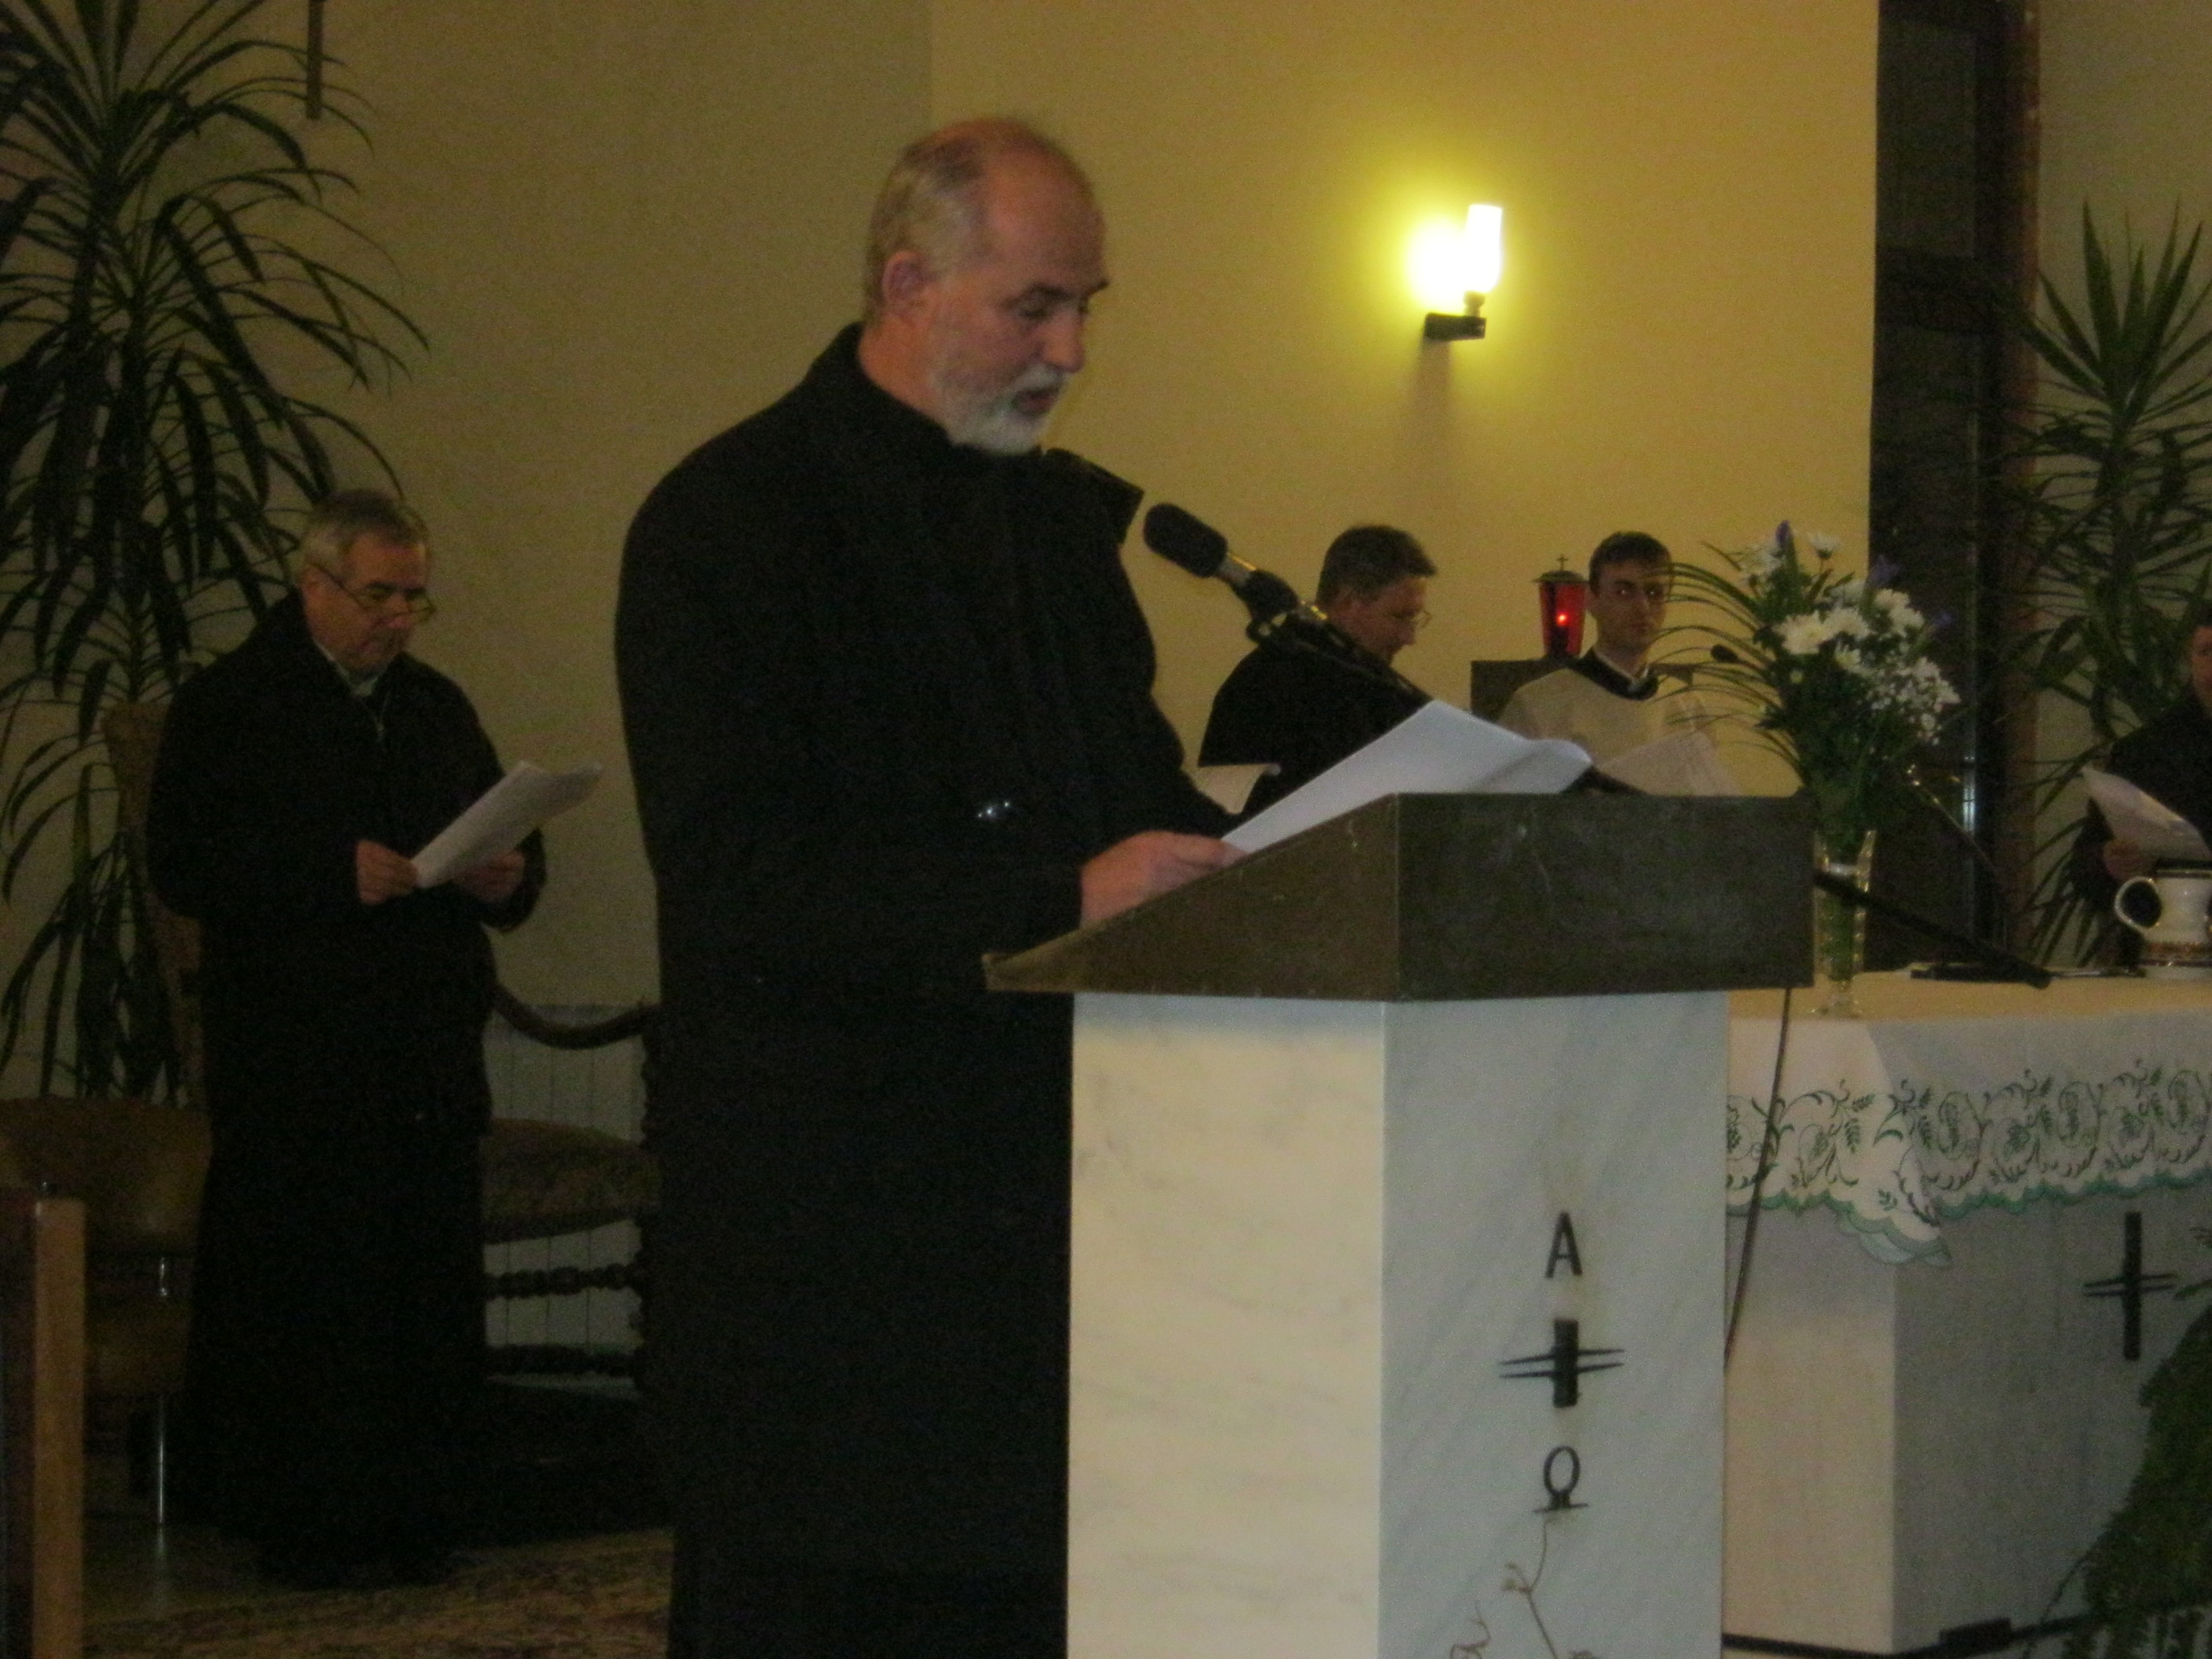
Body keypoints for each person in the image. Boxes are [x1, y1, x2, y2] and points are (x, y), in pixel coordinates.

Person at [616, 118, 1238, 1657]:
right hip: (832, 1239)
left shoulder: (1062, 536)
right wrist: (1050, 898)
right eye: (1035, 307)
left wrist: (1262, 854)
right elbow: (737, 879)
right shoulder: (727, 522)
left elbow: (1137, 792)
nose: (1070, 350)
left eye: (1086, 308)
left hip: (1048, 1234)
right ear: (908, 285)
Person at [148, 490, 544, 1587]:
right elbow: (185, 861)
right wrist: (330, 872)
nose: (400, 619)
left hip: (421, 1049)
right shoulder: (232, 705)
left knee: (423, 1282)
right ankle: (309, 1517)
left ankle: (422, 1509)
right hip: (301, 1053)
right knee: (315, 1288)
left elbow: (492, 821)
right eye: (379, 596)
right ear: (313, 585)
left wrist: (505, 875)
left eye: (415, 598)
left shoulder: (434, 704)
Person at [1197, 523, 1435, 811]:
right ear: (1348, 603)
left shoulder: (1374, 680)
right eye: (1401, 617)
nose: (1409, 637)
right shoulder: (1266, 686)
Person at [1497, 530, 1715, 762]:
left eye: (1654, 593)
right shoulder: (1539, 705)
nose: (1642, 607)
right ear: (1591, 600)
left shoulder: (1687, 707)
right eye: (1624, 592)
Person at [2070, 614, 2212, 912]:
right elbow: (2085, 865)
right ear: (2190, 660)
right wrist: (2109, 862)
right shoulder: (2145, 750)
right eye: (2206, 652)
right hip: (2167, 930)